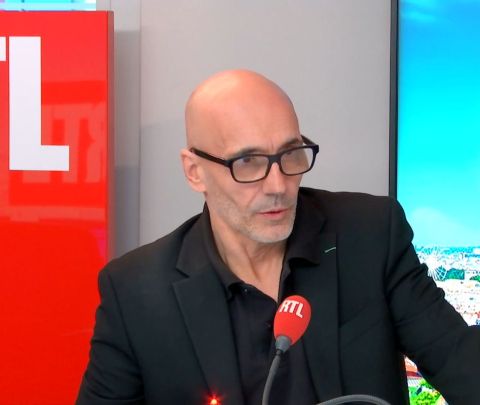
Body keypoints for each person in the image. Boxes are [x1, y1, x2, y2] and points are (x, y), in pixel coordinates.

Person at [76, 70, 480, 405]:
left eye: (291, 154)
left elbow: (459, 359)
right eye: (248, 162)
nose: (278, 185)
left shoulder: (370, 233)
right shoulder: (136, 292)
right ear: (194, 171)